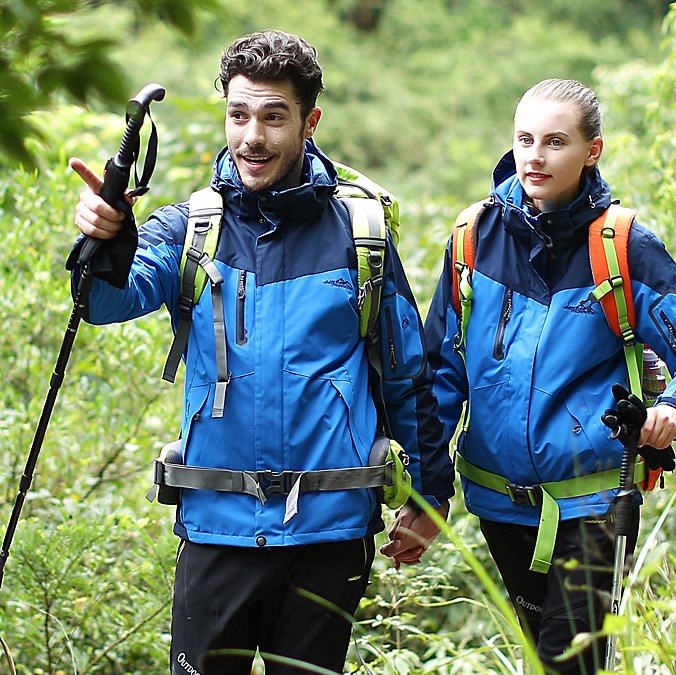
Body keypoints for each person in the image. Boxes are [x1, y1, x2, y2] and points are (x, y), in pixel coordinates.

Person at [68, 30, 453, 675]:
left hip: (329, 530)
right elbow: (106, 303)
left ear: (310, 120)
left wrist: (431, 491)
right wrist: (107, 239)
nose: (252, 136)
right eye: (239, 114)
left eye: (274, 117)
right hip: (218, 524)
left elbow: (406, 373)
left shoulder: (361, 232)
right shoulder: (191, 228)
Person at [422, 78, 676, 673]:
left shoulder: (623, 248)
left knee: (570, 665)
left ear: (592, 150)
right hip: (499, 503)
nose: (534, 156)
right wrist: (428, 490)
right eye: (524, 139)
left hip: (593, 505)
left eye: (555, 142)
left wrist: (671, 411)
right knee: (543, 658)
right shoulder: (472, 237)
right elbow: (442, 373)